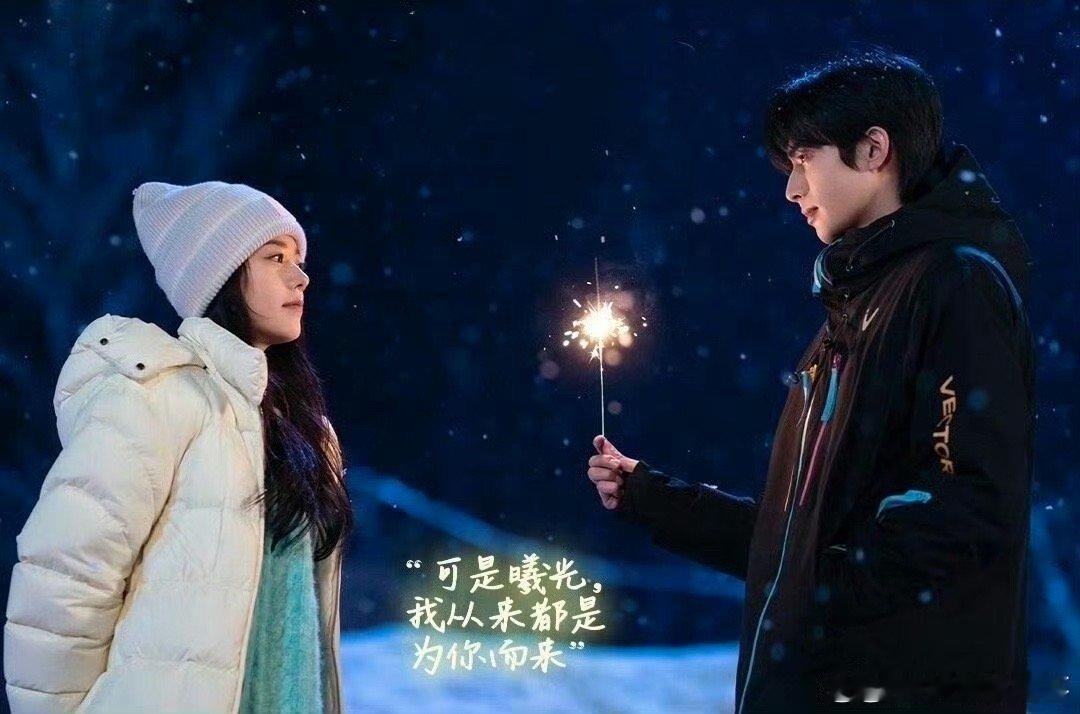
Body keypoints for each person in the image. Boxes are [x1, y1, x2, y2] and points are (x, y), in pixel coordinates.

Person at [586, 46, 1035, 712]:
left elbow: (960, 513)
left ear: (874, 149)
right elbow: (798, 546)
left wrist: (823, 608)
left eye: (803, 160)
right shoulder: (852, 311)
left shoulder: (954, 285)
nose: (792, 191)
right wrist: (655, 499)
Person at [4, 181, 353, 713]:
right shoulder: (158, 399)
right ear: (221, 276)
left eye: (299, 260)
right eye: (275, 257)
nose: (300, 276)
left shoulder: (306, 432)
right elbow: (66, 578)